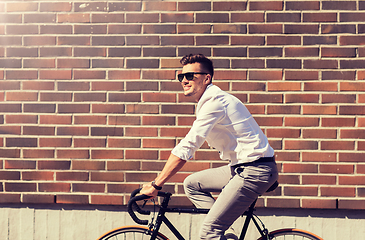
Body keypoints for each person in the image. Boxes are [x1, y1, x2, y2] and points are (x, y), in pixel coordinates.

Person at [140, 54, 278, 240]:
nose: (184, 80)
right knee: (192, 184)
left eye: (191, 76)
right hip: (243, 167)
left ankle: (216, 233)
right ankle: (226, 236)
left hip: (255, 170)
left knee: (208, 232)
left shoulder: (215, 102)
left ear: (207, 78)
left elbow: (187, 146)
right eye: (181, 76)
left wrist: (157, 184)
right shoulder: (208, 101)